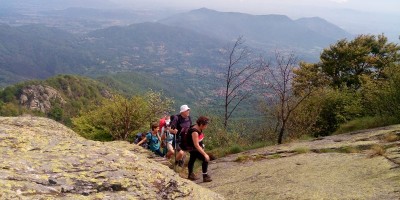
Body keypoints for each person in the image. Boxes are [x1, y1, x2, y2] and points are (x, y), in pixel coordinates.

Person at [186, 116, 212, 182]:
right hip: (193, 148)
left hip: (192, 147)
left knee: (192, 159)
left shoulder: (198, 127)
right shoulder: (195, 132)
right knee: (205, 159)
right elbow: (196, 145)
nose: (206, 127)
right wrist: (205, 154)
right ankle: (205, 176)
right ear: (201, 125)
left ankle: (190, 174)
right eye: (205, 125)